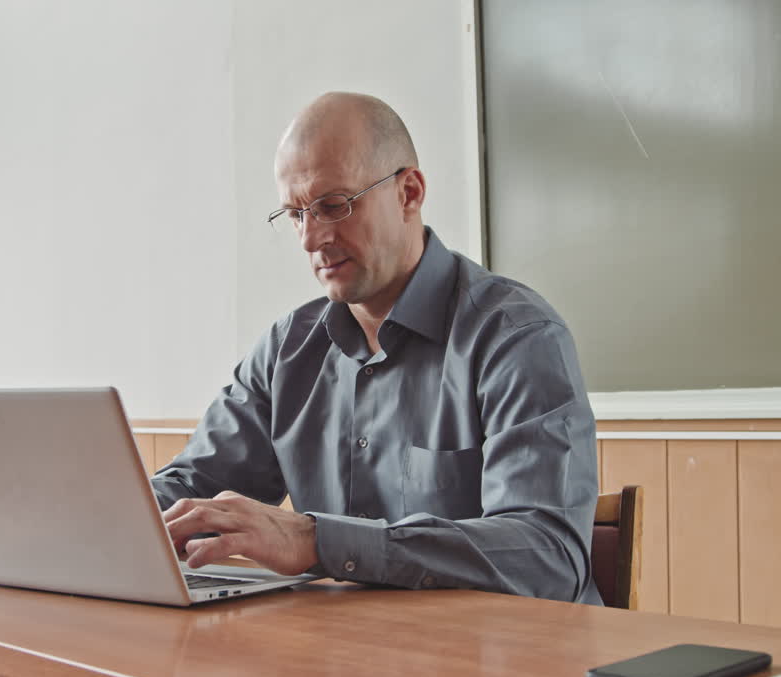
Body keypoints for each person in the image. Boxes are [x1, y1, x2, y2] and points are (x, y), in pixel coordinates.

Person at [152, 92, 601, 604]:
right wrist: (93, 519)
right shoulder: (286, 350)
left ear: (409, 193)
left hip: (503, 666)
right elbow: (193, 489)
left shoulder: (517, 337)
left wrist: (315, 540)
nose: (310, 238)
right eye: (295, 214)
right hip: (350, 660)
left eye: (333, 206)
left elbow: (547, 558)